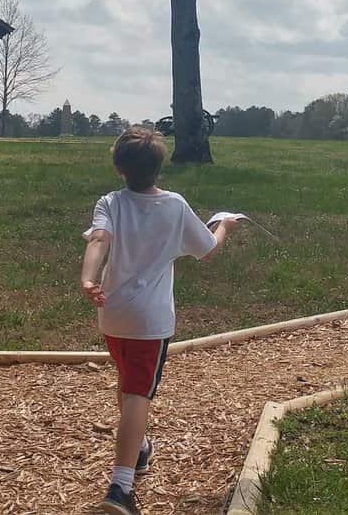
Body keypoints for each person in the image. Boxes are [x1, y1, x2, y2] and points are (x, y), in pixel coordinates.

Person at [80, 126, 238, 515]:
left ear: (119, 167)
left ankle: (140, 449)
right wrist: (225, 227)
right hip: (149, 321)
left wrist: (88, 278)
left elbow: (98, 240)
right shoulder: (175, 205)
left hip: (112, 315)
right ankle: (121, 490)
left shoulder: (111, 202)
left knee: (128, 380)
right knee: (138, 393)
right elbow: (206, 249)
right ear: (159, 166)